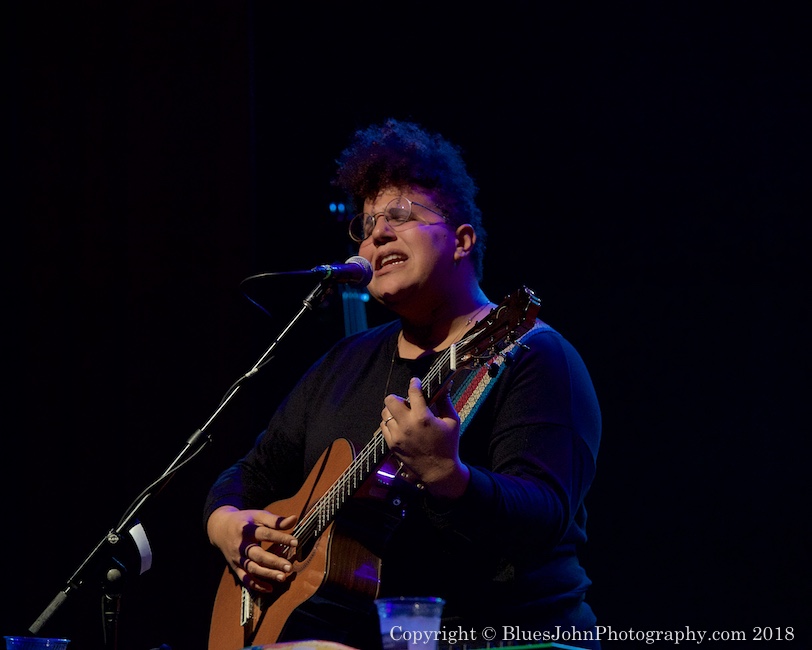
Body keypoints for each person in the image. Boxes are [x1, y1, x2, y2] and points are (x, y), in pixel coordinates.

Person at [204, 118, 602, 649]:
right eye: (367, 225)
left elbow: (544, 515)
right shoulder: (343, 363)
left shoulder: (532, 353)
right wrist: (226, 524)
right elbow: (251, 473)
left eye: (400, 215)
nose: (377, 235)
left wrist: (448, 476)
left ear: (462, 241)